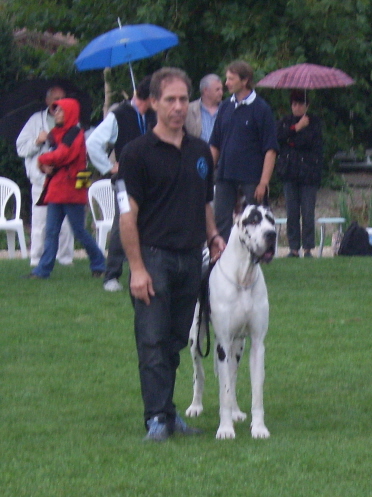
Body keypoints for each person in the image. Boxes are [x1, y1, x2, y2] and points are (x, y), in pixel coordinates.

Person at [117, 67, 225, 442]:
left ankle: (167, 411)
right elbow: (127, 217)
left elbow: (205, 202)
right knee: (152, 339)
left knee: (177, 339)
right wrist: (136, 269)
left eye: (183, 99)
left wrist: (213, 236)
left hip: (190, 259)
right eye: (170, 100)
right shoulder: (135, 154)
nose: (178, 107)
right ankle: (157, 420)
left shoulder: (200, 151)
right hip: (153, 259)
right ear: (154, 103)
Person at [86, 77, 156, 292]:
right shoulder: (119, 115)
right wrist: (109, 167)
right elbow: (92, 143)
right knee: (122, 224)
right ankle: (111, 275)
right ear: (150, 98)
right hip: (126, 180)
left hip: (152, 179)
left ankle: (152, 271)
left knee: (153, 223)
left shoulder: (153, 115)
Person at [25, 98, 106, 279]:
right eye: (56, 111)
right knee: (52, 231)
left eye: (61, 111)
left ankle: (99, 263)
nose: (56, 114)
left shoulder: (75, 134)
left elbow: (62, 155)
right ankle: (42, 271)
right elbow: (55, 158)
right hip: (58, 188)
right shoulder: (57, 133)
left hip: (71, 189)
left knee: (79, 231)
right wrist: (43, 164)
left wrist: (41, 160)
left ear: (70, 113)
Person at [209, 60, 279, 242]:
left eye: (231, 79)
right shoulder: (225, 107)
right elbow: (215, 144)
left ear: (245, 80)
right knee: (221, 219)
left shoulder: (261, 109)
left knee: (257, 219)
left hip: (252, 178)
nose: (226, 83)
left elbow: (270, 149)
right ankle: (220, 258)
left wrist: (264, 182)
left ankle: (257, 256)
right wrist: (206, 172)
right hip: (225, 175)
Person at [16, 86, 75, 267]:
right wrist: (37, 141)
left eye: (62, 98)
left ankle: (65, 259)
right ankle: (36, 258)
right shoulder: (35, 121)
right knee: (40, 221)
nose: (59, 103)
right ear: (48, 101)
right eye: (56, 98)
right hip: (41, 181)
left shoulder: (71, 121)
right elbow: (21, 148)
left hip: (64, 179)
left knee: (65, 223)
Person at [276, 90, 324, 258]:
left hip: (308, 173)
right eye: (294, 104)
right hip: (289, 172)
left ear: (307, 106)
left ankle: (308, 247)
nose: (296, 107)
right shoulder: (285, 122)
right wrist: (296, 128)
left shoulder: (314, 122)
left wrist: (293, 138)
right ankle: (293, 247)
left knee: (308, 212)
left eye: (300, 104)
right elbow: (279, 138)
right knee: (291, 212)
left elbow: (308, 142)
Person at [185, 73, 223, 142]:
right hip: (197, 151)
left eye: (221, 89)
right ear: (205, 91)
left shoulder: (227, 109)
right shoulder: (188, 109)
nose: (221, 93)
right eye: (217, 90)